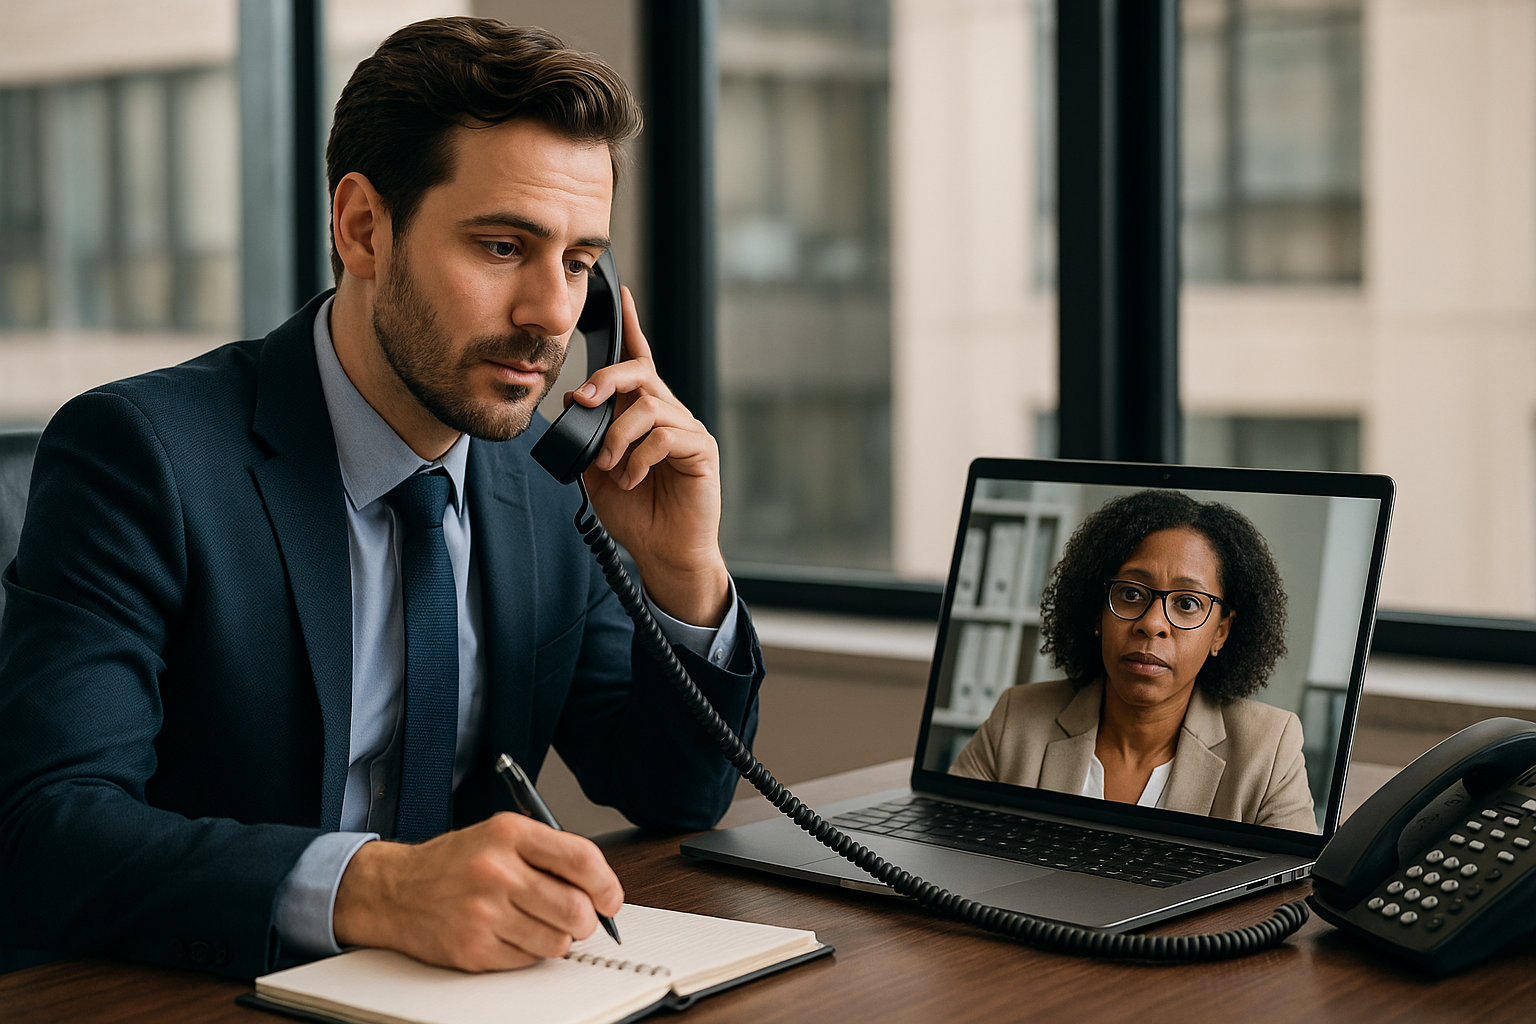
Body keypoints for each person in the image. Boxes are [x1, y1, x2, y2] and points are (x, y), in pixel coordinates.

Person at [0, 19, 763, 978]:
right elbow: (48, 828)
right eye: (500, 246)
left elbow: (675, 790)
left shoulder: (549, 476)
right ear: (363, 227)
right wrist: (379, 890)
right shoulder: (141, 456)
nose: (553, 316)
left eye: (578, 264)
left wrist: (685, 573)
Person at [949, 489, 1316, 833]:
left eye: (1187, 603)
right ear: (1098, 614)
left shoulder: (1268, 748)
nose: (1152, 624)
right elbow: (946, 845)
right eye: (1130, 593)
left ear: (1220, 631)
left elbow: (1292, 894)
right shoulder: (1017, 719)